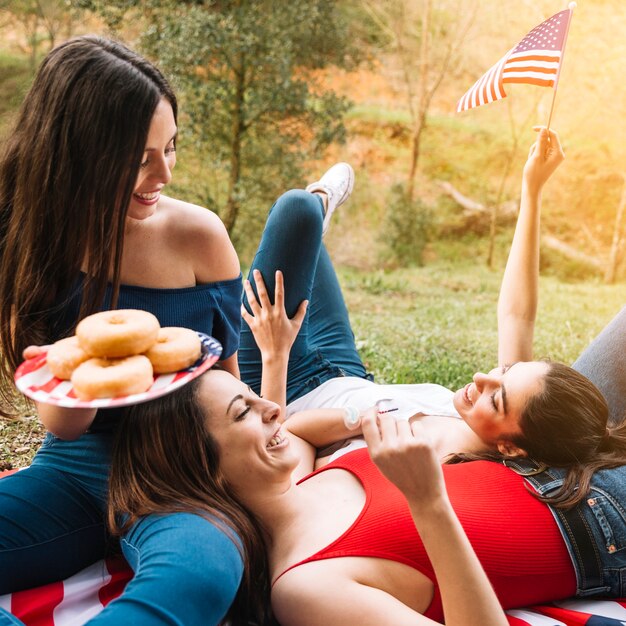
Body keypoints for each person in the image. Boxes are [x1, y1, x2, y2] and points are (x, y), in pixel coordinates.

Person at [99, 129, 626, 624]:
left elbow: (293, 425)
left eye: (250, 395)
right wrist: (427, 501)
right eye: (244, 408)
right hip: (603, 525)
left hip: (576, 459)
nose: (269, 406)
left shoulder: (305, 471)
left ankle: (315, 210)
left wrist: (283, 368)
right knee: (297, 216)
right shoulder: (304, 586)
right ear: (206, 469)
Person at [0, 36, 249, 625]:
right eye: (141, 157)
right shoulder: (31, 241)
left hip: (180, 473)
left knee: (204, 574)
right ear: (78, 157)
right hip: (73, 470)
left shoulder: (199, 237)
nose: (163, 173)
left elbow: (232, 386)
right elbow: (65, 427)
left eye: (170, 148)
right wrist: (60, 381)